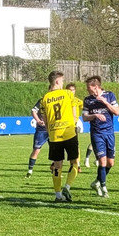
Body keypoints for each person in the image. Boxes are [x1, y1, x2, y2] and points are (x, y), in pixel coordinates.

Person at [39, 71, 80, 202]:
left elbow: (45, 120)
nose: (63, 83)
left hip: (54, 136)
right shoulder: (68, 94)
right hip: (69, 133)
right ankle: (67, 187)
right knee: (74, 162)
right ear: (57, 81)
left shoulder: (44, 99)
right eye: (62, 81)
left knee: (57, 166)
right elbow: (74, 115)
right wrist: (73, 125)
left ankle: (58, 195)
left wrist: (51, 133)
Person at [81, 76, 119, 197]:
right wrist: (94, 115)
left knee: (110, 163)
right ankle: (104, 188)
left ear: (96, 87)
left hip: (109, 133)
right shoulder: (88, 100)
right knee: (102, 161)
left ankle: (97, 182)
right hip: (97, 134)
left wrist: (105, 102)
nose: (87, 90)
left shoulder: (109, 95)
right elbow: (84, 117)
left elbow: (117, 112)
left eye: (89, 87)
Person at [26, 99, 48, 178]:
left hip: (53, 129)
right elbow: (33, 110)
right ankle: (30, 171)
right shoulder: (42, 100)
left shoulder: (58, 99)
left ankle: (56, 171)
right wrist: (38, 120)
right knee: (36, 150)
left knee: (56, 151)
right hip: (42, 129)